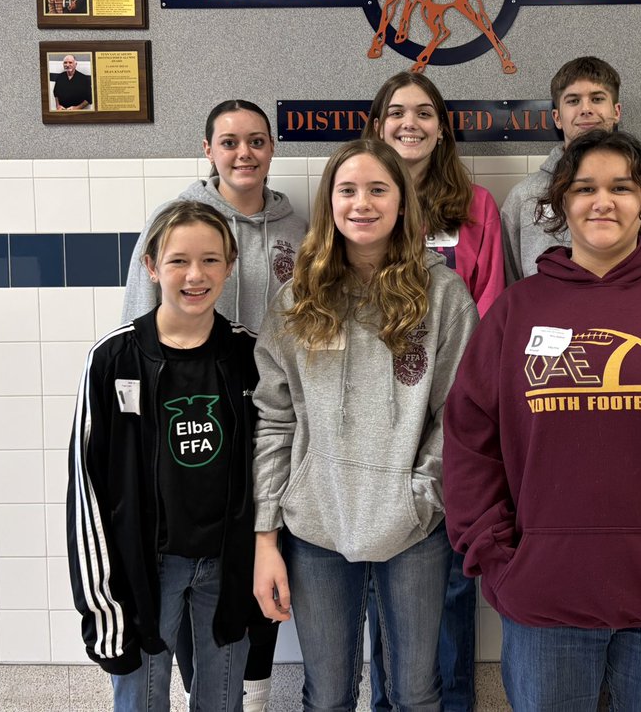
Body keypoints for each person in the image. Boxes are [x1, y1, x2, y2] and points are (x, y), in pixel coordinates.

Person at [444, 129, 641, 712]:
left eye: (621, 187)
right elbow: (472, 441)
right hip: (544, 595)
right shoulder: (518, 311)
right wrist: (497, 555)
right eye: (585, 188)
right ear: (560, 203)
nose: (603, 201)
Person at [251, 139, 479, 712]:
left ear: (403, 202)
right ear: (329, 202)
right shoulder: (296, 298)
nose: (361, 203)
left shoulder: (444, 296)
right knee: (326, 696)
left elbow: (461, 416)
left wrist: (419, 498)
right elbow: (275, 421)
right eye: (346, 190)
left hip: (414, 528)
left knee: (415, 692)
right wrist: (265, 533)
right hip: (316, 524)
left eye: (378, 189)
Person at [121, 99, 306, 712]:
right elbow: (137, 325)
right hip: (189, 411)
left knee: (252, 559)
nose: (243, 153)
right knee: (179, 581)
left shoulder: (297, 230)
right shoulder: (175, 220)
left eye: (256, 140)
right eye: (229, 142)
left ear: (272, 147)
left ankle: (247, 693)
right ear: (208, 150)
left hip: (268, 412)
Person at [67, 200, 261, 712]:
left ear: (230, 265)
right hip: (146, 569)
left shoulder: (250, 357)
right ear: (151, 266)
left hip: (227, 564)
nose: (195, 275)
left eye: (210, 260)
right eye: (178, 260)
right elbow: (87, 489)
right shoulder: (113, 360)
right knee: (141, 701)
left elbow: (271, 466)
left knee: (220, 703)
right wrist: (102, 603)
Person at [362, 71, 505, 712]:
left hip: (452, 423)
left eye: (424, 112)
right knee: (377, 577)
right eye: (396, 112)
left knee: (447, 582)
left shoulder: (476, 209)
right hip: (373, 427)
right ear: (377, 123)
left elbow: (493, 313)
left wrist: (465, 421)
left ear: (442, 125)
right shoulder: (358, 203)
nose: (409, 123)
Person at [500, 56, 641, 283]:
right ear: (557, 117)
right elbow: (513, 283)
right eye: (573, 101)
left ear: (616, 111)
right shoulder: (524, 196)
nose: (586, 109)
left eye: (597, 99)